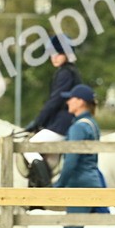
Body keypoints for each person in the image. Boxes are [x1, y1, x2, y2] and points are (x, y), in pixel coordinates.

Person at [54, 84, 111, 228]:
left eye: (71, 98)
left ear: (80, 102)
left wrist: (59, 184)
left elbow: (71, 160)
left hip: (79, 184)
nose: (68, 101)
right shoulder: (92, 124)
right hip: (91, 181)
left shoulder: (78, 127)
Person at [25, 35, 81, 188]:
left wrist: (38, 122)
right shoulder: (68, 71)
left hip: (62, 123)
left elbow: (54, 101)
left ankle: (46, 186)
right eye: (52, 54)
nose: (54, 57)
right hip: (60, 121)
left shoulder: (65, 73)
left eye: (58, 53)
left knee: (28, 147)